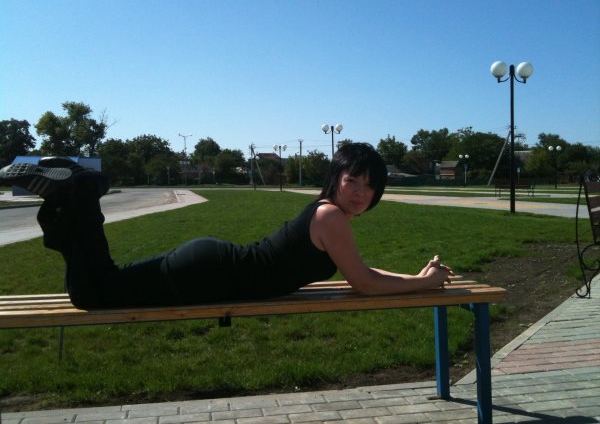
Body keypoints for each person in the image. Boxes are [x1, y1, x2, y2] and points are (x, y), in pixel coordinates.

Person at [0, 143, 452, 309]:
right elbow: (364, 284)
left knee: (104, 283)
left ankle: (77, 191)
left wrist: (416, 278)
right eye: (353, 180)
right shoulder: (330, 216)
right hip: (207, 274)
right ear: (335, 179)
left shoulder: (327, 215)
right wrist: (426, 285)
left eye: (370, 186)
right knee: (92, 294)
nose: (360, 192)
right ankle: (77, 194)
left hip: (210, 267)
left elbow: (363, 272)